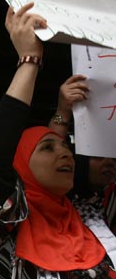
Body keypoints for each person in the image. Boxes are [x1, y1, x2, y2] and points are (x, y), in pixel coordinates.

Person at [0, 2, 115, 279]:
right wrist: (30, 60)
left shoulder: (92, 215)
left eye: (67, 148)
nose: (66, 153)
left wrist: (64, 112)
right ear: (21, 167)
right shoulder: (5, 228)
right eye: (47, 148)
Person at [49, 74, 116, 234]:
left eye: (114, 159)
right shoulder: (64, 198)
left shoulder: (112, 199)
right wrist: (62, 111)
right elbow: (53, 143)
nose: (109, 162)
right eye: (98, 157)